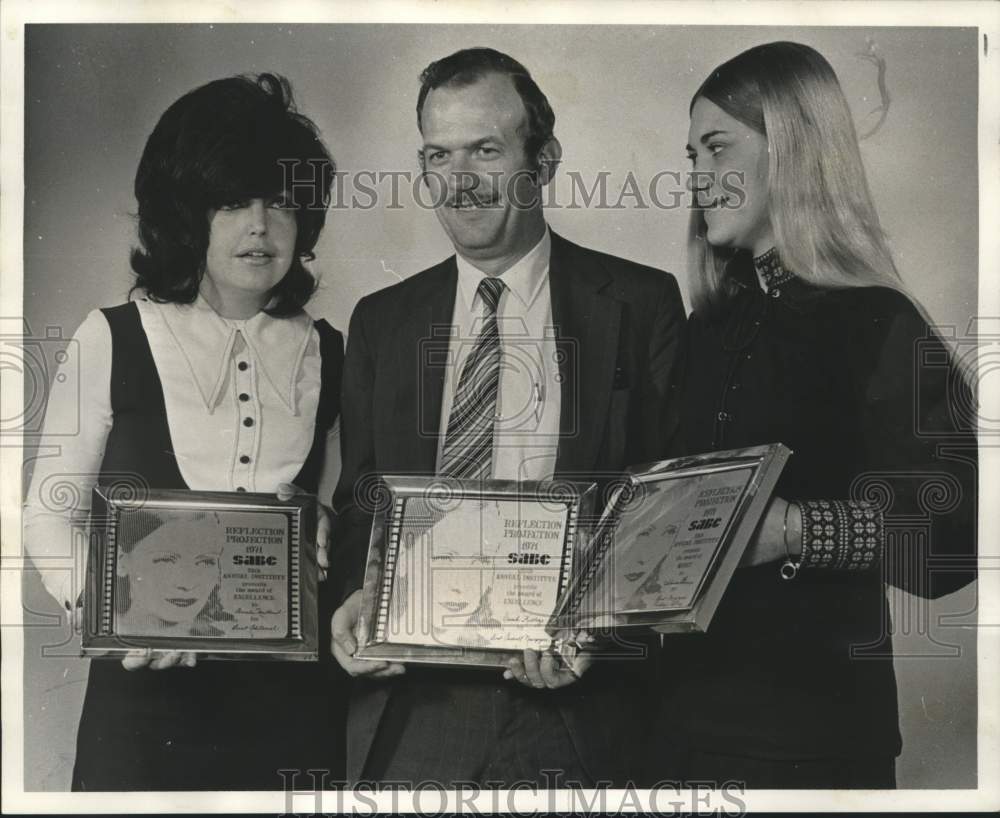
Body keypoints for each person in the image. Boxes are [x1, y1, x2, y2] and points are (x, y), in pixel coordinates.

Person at [328, 47, 686, 787]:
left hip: (576, 713)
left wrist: (599, 632)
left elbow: (666, 510)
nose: (458, 182)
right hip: (411, 715)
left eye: (485, 151)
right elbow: (360, 500)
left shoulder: (640, 304)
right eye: (437, 156)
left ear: (544, 159)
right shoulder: (382, 322)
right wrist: (351, 606)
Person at [655, 41, 978, 788]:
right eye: (691, 155)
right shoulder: (704, 330)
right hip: (677, 732)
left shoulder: (878, 320)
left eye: (717, 148)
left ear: (791, 148)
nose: (696, 178)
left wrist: (795, 531)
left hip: (815, 742)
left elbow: (960, 529)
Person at [23, 72, 345, 790]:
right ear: (184, 213)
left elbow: (331, 516)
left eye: (281, 203)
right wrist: (113, 611)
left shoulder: (332, 349)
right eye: (231, 202)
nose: (260, 227)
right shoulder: (112, 337)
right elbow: (47, 516)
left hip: (290, 708)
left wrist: (323, 527)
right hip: (145, 707)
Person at [113, 511, 233, 638]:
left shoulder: (224, 642)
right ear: (122, 563)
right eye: (165, 561)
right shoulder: (107, 639)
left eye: (205, 562)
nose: (187, 584)